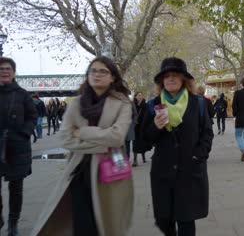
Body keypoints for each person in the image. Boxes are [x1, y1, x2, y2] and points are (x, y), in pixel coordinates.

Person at [31, 56, 134, 235]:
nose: (97, 75)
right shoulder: (77, 103)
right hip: (79, 171)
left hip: (110, 172)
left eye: (103, 71)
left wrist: (83, 133)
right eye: (93, 70)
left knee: (109, 224)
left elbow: (117, 137)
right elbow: (65, 138)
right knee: (83, 225)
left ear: (113, 78)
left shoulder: (122, 102)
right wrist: (103, 142)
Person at [142, 57, 213, 236]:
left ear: (184, 79)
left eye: (175, 75)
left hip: (189, 172)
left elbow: (207, 133)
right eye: (166, 76)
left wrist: (198, 155)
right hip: (162, 174)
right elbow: (142, 142)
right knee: (164, 221)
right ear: (161, 81)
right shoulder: (152, 106)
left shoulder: (199, 103)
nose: (171, 79)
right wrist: (155, 127)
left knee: (186, 221)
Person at [0, 57, 37, 235]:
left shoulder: (22, 94)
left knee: (16, 188)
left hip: (17, 146)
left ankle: (13, 222)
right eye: (1, 68)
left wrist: (24, 133)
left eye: (8, 68)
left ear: (14, 72)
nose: (4, 71)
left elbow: (32, 116)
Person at [132, 92, 151, 166]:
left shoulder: (145, 105)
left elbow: (148, 115)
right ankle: (135, 160)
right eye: (138, 95)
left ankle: (143, 157)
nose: (140, 96)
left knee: (143, 142)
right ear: (135, 97)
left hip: (143, 126)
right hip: (135, 126)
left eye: (141, 95)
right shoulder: (133, 104)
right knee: (135, 143)